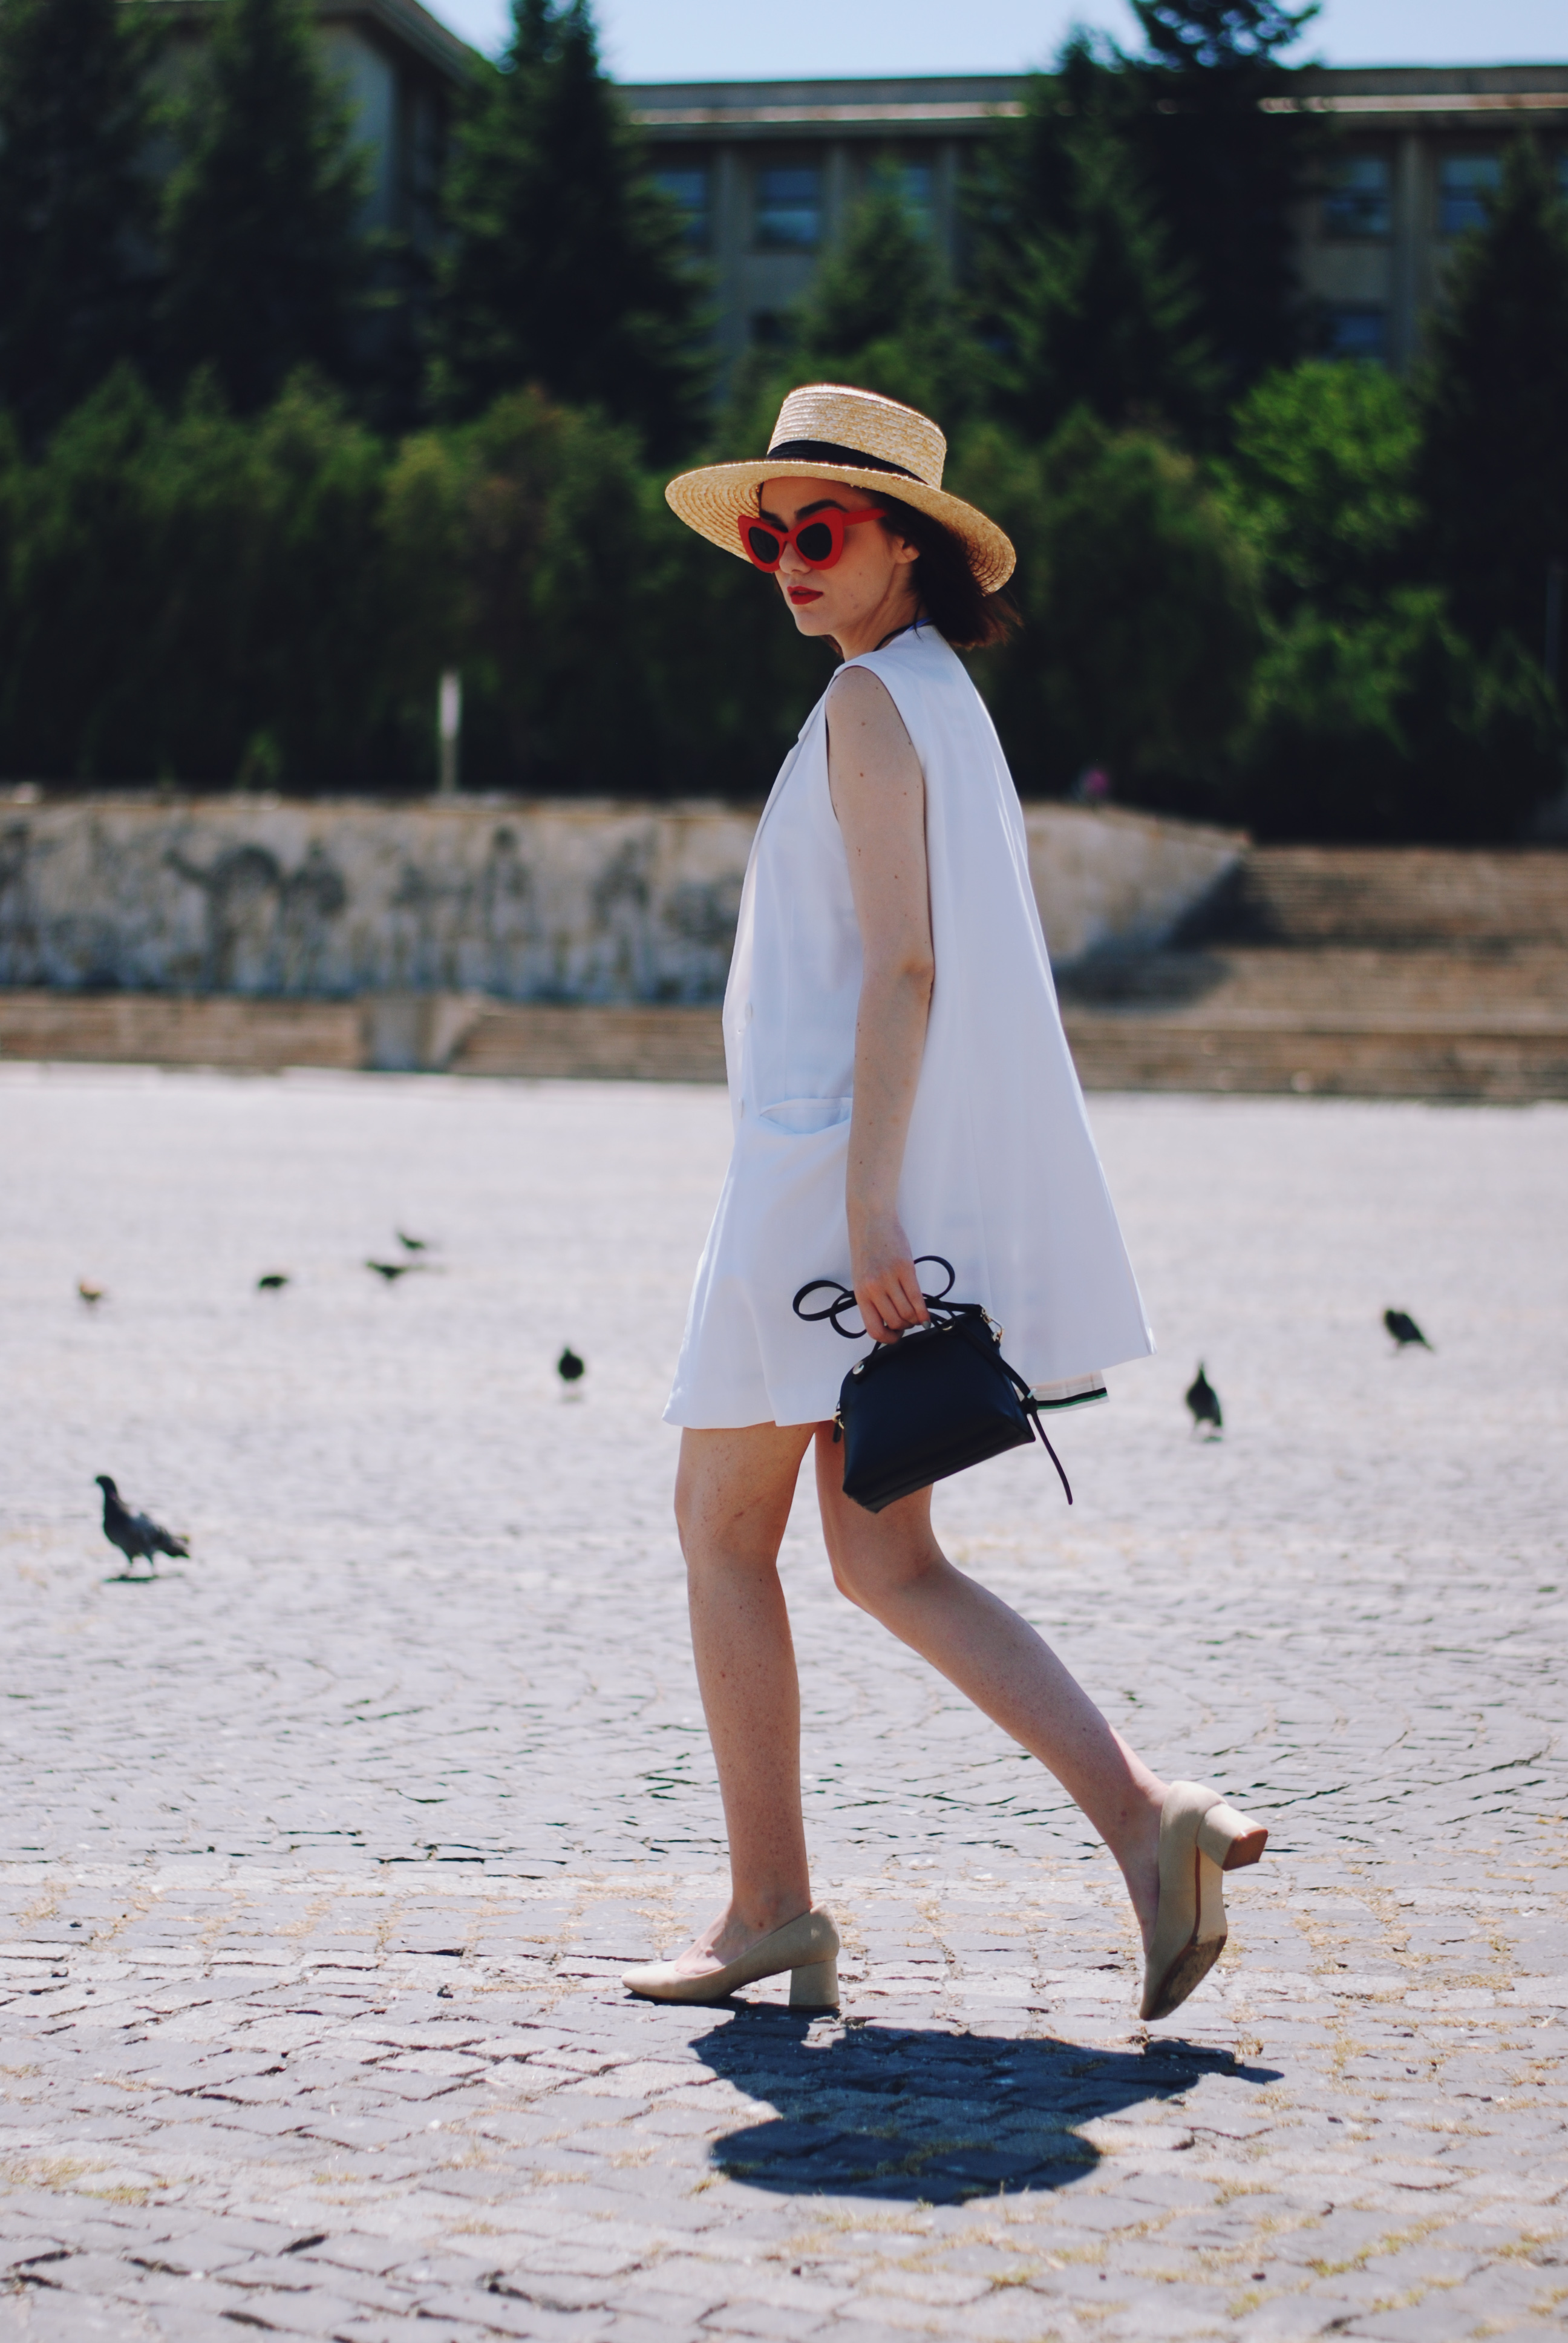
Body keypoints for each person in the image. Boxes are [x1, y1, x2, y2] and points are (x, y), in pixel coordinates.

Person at [624, 384, 1266, 2025]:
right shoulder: (936, 698)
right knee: (882, 1558)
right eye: (770, 535)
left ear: (905, 543)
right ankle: (1147, 1817)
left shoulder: (866, 708)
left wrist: (862, 1206)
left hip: (817, 1181)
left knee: (719, 1531)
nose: (787, 560)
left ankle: (771, 1907)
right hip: (849, 1170)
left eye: (820, 531)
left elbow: (906, 964)